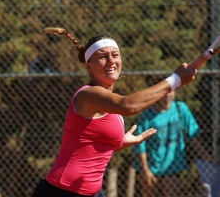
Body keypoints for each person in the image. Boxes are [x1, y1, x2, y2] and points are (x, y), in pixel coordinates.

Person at [32, 27, 197, 197]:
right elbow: (128, 106)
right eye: (103, 57)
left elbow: (93, 143)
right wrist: (175, 79)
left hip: (92, 192)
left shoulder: (108, 104)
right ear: (89, 67)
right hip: (62, 191)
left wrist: (121, 141)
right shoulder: (88, 94)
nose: (111, 60)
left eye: (115, 55)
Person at [132, 89, 210, 197]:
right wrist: (145, 171)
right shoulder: (147, 114)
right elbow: (140, 144)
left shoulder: (180, 108)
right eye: (164, 92)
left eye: (170, 91)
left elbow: (193, 135)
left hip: (172, 167)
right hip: (151, 167)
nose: (167, 95)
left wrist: (207, 158)